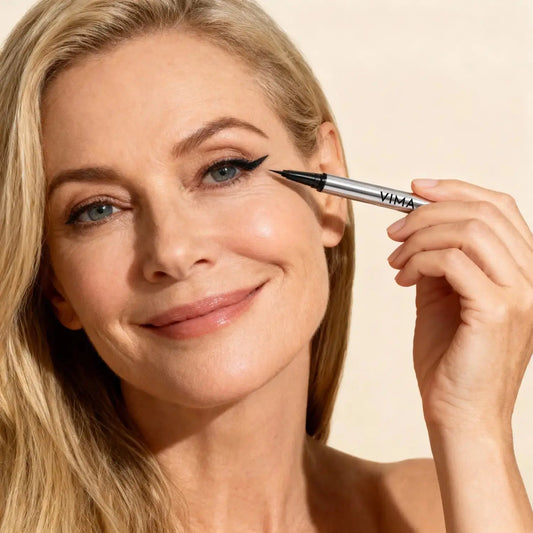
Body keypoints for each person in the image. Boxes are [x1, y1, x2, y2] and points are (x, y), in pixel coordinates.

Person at [0, 0, 532, 531]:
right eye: (98, 209)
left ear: (328, 187)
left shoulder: (433, 509)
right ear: (54, 283)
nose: (174, 252)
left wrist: (473, 425)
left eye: (222, 170)